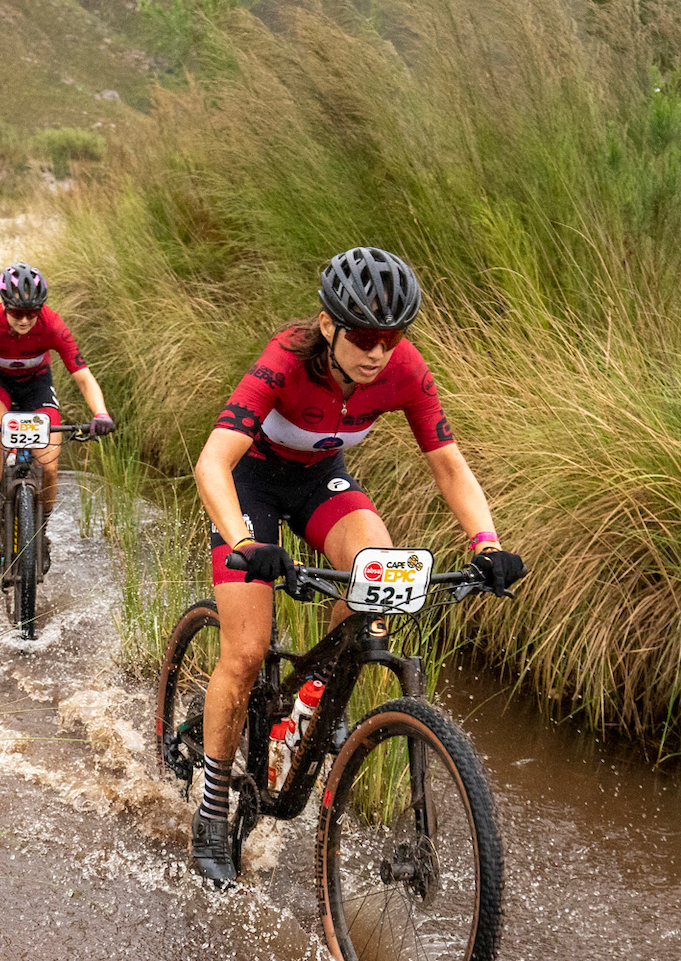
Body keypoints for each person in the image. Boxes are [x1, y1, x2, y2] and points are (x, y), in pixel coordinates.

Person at [183, 245, 525, 886]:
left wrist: (485, 543)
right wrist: (242, 542)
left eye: (390, 338)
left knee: (382, 573)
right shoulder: (285, 358)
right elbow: (213, 463)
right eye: (364, 336)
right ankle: (212, 805)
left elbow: (448, 463)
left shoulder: (405, 370)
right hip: (250, 485)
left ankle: (316, 698)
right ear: (329, 324)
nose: (377, 352)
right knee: (248, 649)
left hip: (318, 483)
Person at [0, 262, 115, 569]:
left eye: (33, 311)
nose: (25, 319)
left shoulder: (52, 324)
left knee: (50, 465)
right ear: (4, 306)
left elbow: (83, 375)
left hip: (37, 386)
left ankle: (39, 533)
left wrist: (101, 413)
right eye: (17, 311)